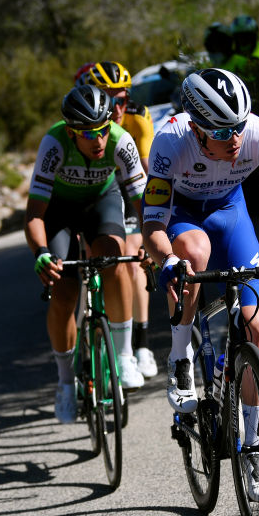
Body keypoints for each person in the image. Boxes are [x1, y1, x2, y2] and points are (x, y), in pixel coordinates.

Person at [141, 68, 259, 500]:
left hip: (232, 213)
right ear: (197, 130)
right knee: (195, 255)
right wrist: (167, 258)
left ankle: (254, 444)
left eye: (239, 126)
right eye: (224, 131)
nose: (236, 139)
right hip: (184, 217)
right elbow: (152, 223)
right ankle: (180, 356)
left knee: (257, 329)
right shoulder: (170, 141)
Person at [26, 84, 148, 424]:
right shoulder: (54, 143)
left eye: (103, 130)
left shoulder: (121, 141)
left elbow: (141, 205)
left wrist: (153, 246)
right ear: (71, 132)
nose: (98, 140)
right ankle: (66, 382)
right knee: (64, 292)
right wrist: (41, 253)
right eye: (89, 133)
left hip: (102, 202)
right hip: (59, 212)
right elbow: (35, 214)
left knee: (114, 257)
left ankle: (124, 356)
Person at [77, 61, 158, 379]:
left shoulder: (139, 115)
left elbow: (148, 167)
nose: (115, 107)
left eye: (121, 98)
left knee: (134, 256)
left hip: (128, 185)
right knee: (85, 261)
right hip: (94, 188)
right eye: (108, 99)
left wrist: (156, 220)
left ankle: (141, 344)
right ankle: (86, 339)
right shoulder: (84, 117)